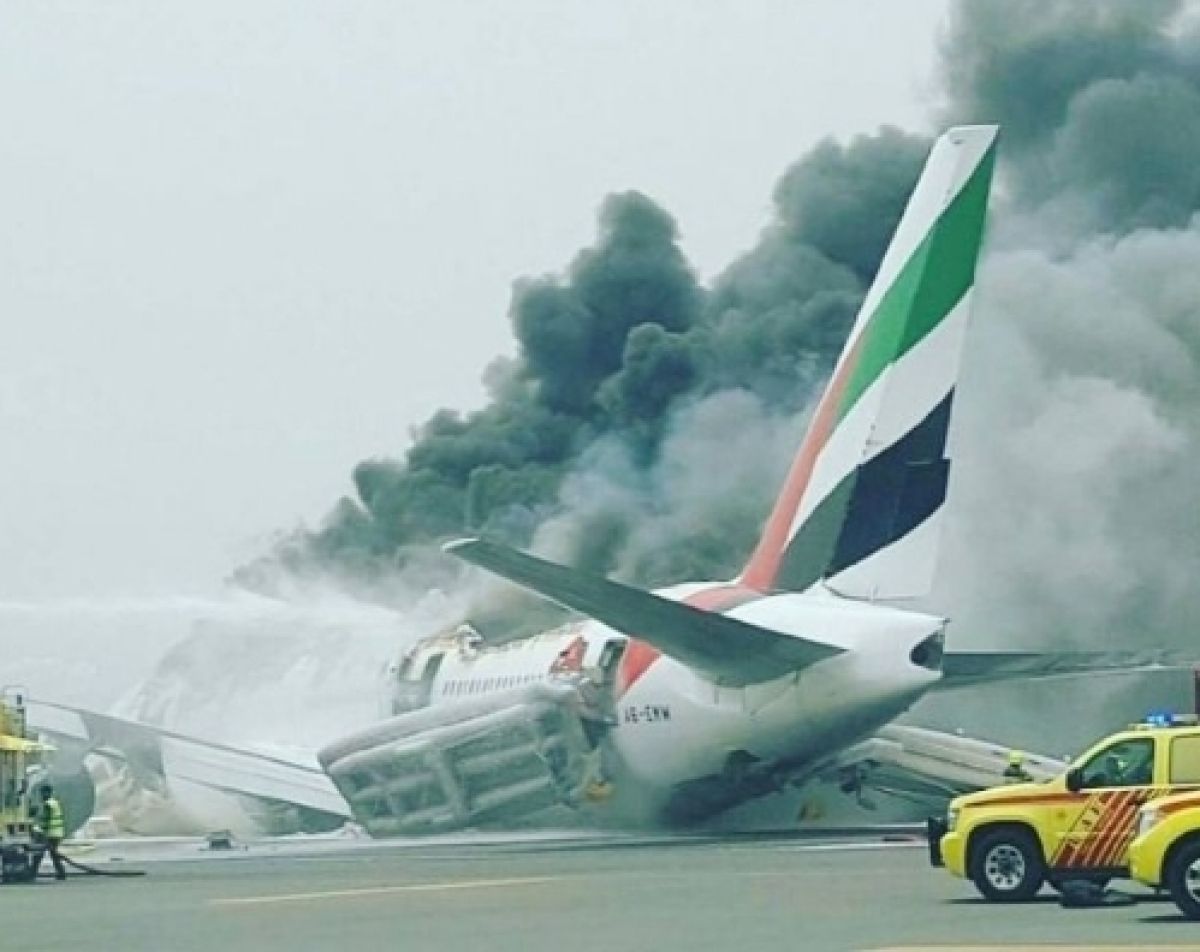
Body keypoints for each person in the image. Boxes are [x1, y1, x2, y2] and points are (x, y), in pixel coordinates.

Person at [32, 783, 66, 881]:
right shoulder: (54, 803)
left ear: (46, 793)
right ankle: (61, 873)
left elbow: (46, 821)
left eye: (42, 793)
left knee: (39, 854)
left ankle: (32, 873)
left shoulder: (48, 804)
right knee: (53, 854)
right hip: (56, 833)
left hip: (50, 834)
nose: (41, 795)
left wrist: (39, 832)